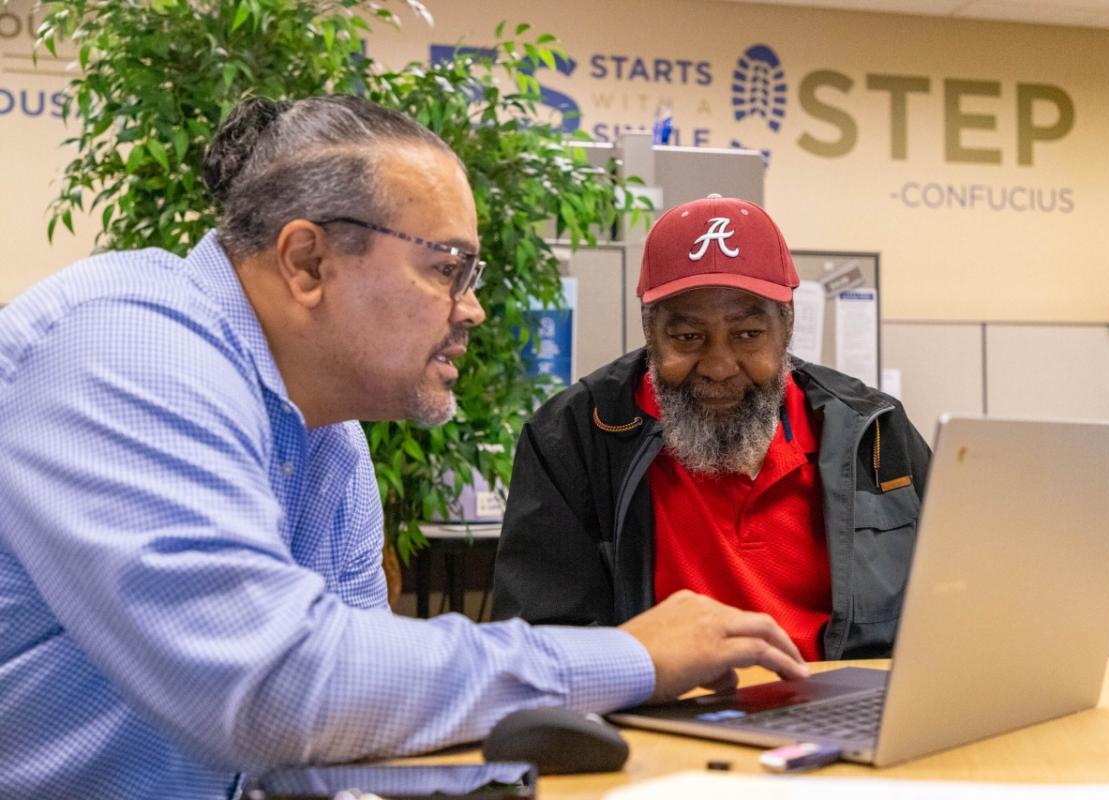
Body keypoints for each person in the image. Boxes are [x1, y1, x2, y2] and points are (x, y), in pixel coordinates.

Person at [0, 97, 809, 799]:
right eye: (449, 269)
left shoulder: (331, 444)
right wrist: (626, 658)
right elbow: (278, 693)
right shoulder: (125, 349)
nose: (473, 310)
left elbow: (344, 722)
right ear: (308, 261)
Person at [493, 194, 932, 663]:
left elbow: (954, 606)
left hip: (843, 718)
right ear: (649, 331)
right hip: (659, 718)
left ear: (786, 325)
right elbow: (541, 647)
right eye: (688, 337)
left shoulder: (873, 432)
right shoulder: (575, 438)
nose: (720, 366)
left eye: (747, 335)